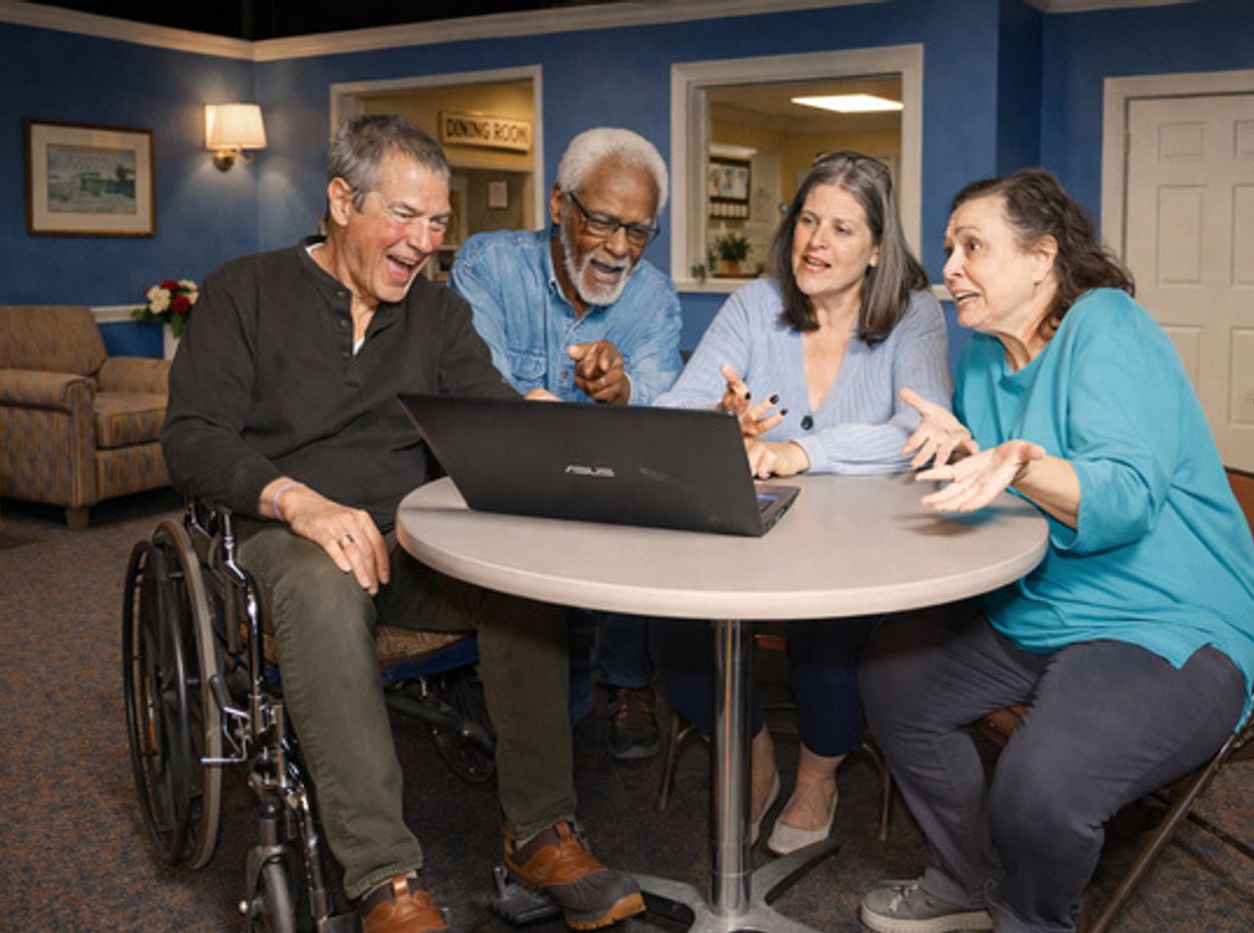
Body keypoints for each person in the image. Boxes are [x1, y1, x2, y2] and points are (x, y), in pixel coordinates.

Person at [162, 115, 645, 933]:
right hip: (283, 535)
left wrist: (545, 422)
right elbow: (191, 438)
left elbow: (486, 414)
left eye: (438, 223)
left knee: (513, 580)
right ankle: (385, 876)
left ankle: (540, 831)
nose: (423, 242)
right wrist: (299, 501)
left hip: (406, 542)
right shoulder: (244, 291)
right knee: (324, 579)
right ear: (341, 200)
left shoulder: (439, 316)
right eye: (405, 217)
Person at [857, 168, 1254, 933]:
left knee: (1041, 783)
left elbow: (1124, 494)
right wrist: (963, 453)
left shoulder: (1108, 324)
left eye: (972, 246)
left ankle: (1029, 914)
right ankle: (968, 874)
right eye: (949, 247)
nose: (948, 268)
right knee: (892, 678)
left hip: (1165, 623)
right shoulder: (983, 353)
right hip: (1044, 607)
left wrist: (1020, 461)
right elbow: (1004, 491)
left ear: (1042, 256)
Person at [651, 151, 952, 855]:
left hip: (863, 545)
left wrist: (802, 452)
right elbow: (673, 411)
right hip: (750, 538)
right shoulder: (756, 304)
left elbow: (925, 427)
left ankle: (819, 775)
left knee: (829, 642)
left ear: (878, 247)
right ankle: (754, 754)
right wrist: (720, 425)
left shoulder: (915, 313)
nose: (816, 241)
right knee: (669, 625)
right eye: (808, 220)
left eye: (843, 228)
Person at [451, 127, 681, 761]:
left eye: (638, 231)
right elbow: (477, 385)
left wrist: (622, 386)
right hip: (510, 489)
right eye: (603, 221)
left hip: (606, 497)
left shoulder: (654, 299)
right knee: (547, 720)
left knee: (651, 506)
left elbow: (665, 395)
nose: (618, 248)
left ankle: (627, 681)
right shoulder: (488, 266)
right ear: (559, 205)